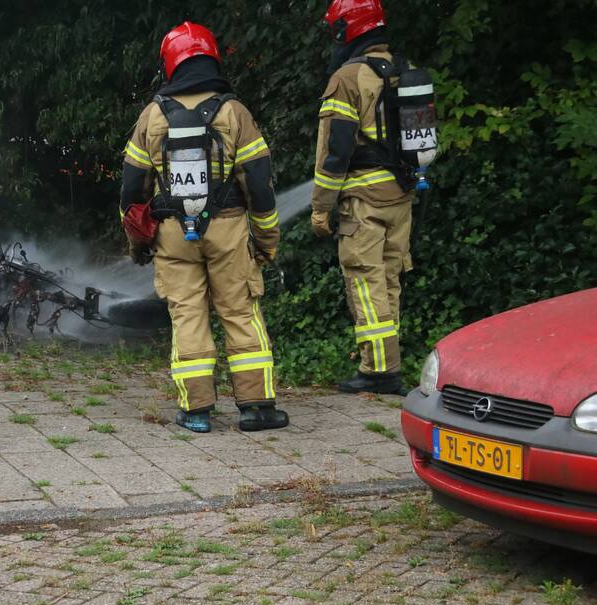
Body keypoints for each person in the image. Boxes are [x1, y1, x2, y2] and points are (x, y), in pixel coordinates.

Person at [120, 21, 289, 434]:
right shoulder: (234, 112)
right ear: (211, 57)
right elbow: (260, 185)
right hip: (229, 231)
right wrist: (266, 241)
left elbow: (131, 190)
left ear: (170, 64)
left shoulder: (152, 116)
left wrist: (139, 243)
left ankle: (196, 411)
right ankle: (256, 408)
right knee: (239, 311)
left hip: (173, 234)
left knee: (187, 317)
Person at [311, 0, 414, 396]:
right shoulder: (403, 70)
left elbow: (334, 152)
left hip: (364, 200)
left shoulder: (349, 78)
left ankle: (378, 371)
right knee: (389, 281)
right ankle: (389, 362)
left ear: (346, 30)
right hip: (401, 195)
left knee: (366, 283)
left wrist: (321, 207)